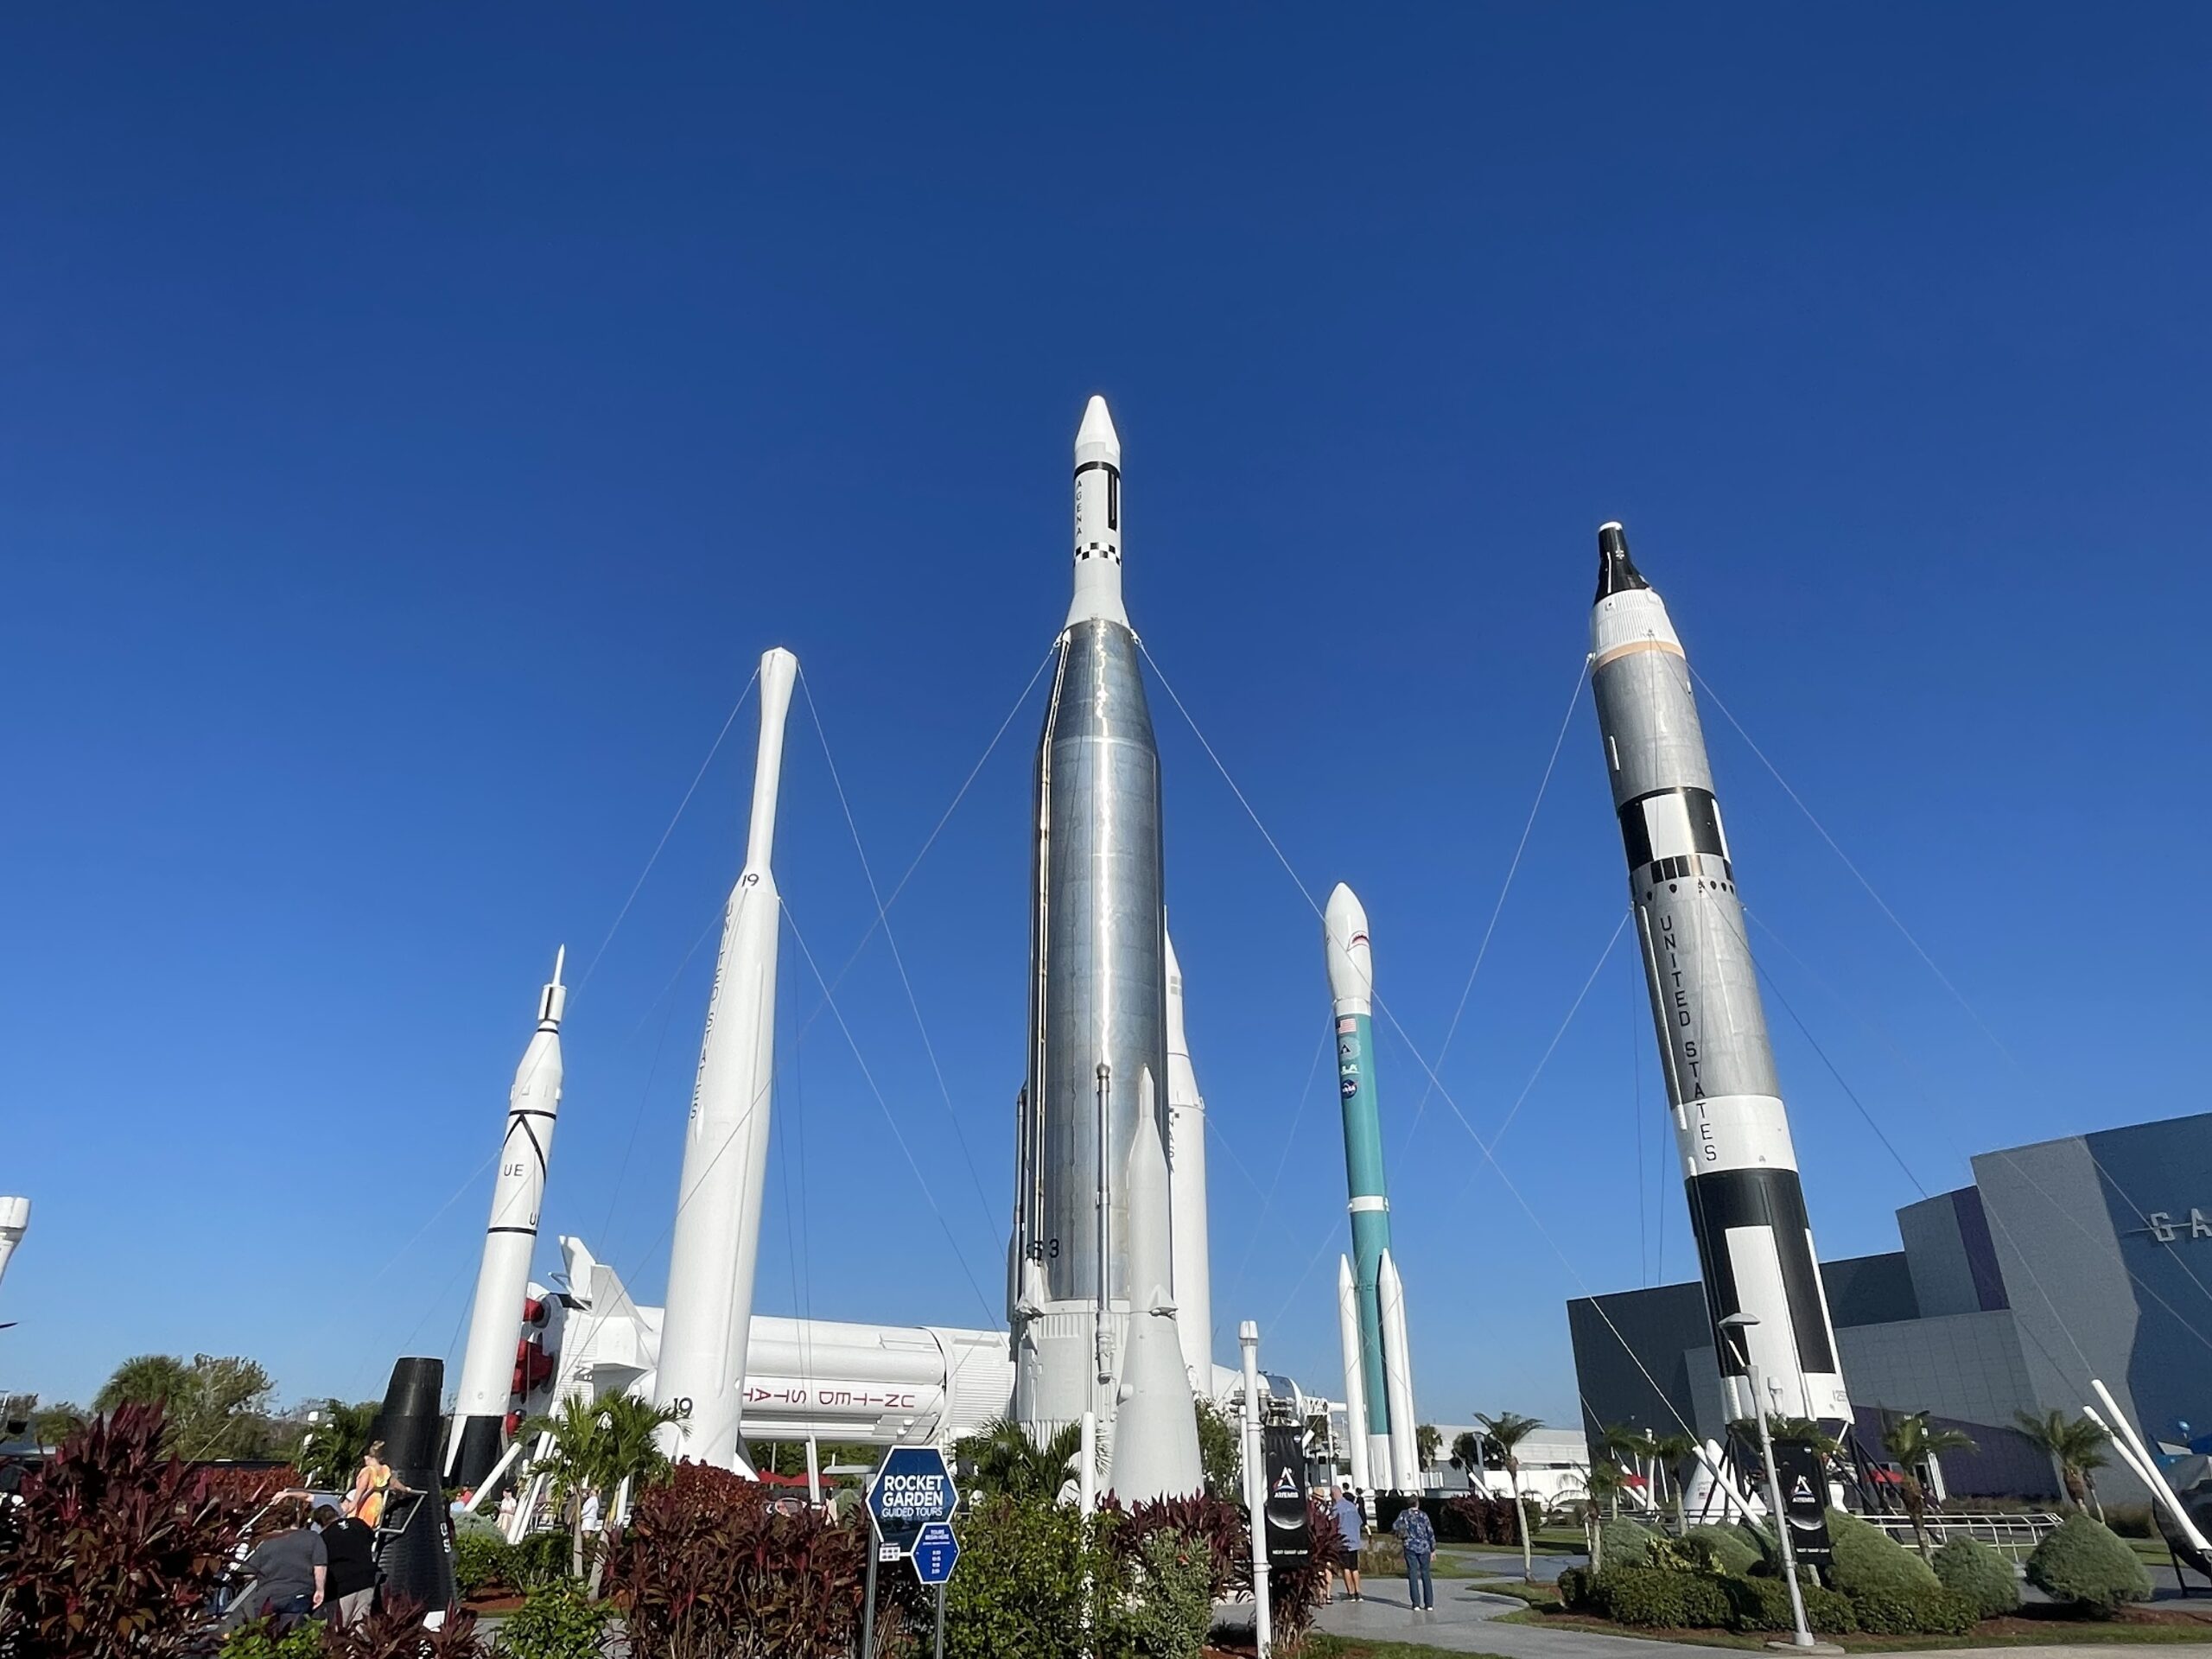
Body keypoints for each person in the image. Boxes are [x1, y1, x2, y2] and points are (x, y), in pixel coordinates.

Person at [223, 1497, 327, 1630]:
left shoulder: (266, 1542)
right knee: (295, 1636)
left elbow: (249, 1572)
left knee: (268, 1638)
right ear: (298, 1516)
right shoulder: (312, 1538)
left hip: (267, 1599)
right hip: (298, 1594)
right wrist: (320, 1590)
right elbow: (320, 1566)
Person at [313, 1503, 378, 1627]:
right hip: (366, 1580)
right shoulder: (358, 1523)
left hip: (342, 1586)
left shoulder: (323, 1538)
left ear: (320, 1523)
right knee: (361, 1625)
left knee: (341, 1626)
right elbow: (371, 1539)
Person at [1393, 1499, 1437, 1612]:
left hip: (1410, 1546)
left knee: (1412, 1574)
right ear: (1417, 1504)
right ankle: (1429, 1604)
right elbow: (1430, 1532)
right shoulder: (1424, 1515)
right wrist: (1433, 1549)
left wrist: (1403, 1534)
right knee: (1426, 1574)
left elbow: (1395, 1526)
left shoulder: (1404, 1515)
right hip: (1424, 1547)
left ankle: (1416, 1603)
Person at [1331, 1483, 1366, 1601]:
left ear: (1333, 1495)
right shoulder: (1352, 1506)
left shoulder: (1336, 1508)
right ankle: (1358, 1592)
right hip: (1354, 1540)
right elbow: (1359, 1522)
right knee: (1354, 1568)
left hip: (1343, 1541)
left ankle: (1350, 1592)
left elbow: (1333, 1525)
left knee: (1346, 1568)